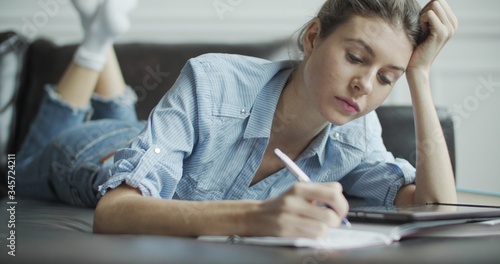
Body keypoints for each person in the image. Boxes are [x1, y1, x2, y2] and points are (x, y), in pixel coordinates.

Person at [17, 0, 458, 239]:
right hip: (95, 153)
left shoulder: (359, 135)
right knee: (22, 165)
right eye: (355, 58)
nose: (366, 84)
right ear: (312, 37)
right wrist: (255, 217)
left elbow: (435, 208)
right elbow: (113, 210)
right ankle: (96, 44)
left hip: (151, 142)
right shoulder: (214, 80)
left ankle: (101, 32)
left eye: (387, 77)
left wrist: (418, 76)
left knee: (137, 125)